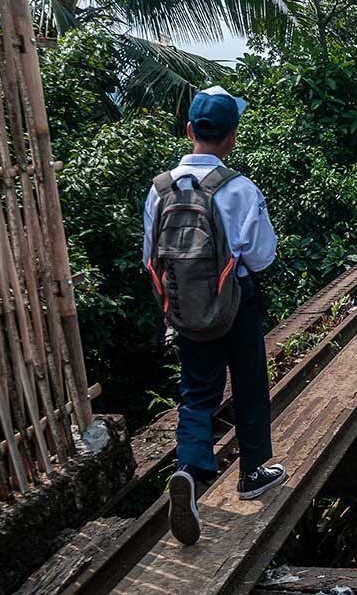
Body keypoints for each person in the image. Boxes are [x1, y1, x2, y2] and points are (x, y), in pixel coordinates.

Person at [142, 86, 286, 546]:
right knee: (248, 384)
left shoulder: (160, 189)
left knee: (197, 390)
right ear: (233, 138)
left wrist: (172, 309)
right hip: (236, 301)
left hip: (187, 305)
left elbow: (150, 255)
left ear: (189, 131)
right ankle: (251, 474)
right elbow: (261, 257)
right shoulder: (240, 189)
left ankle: (188, 470)